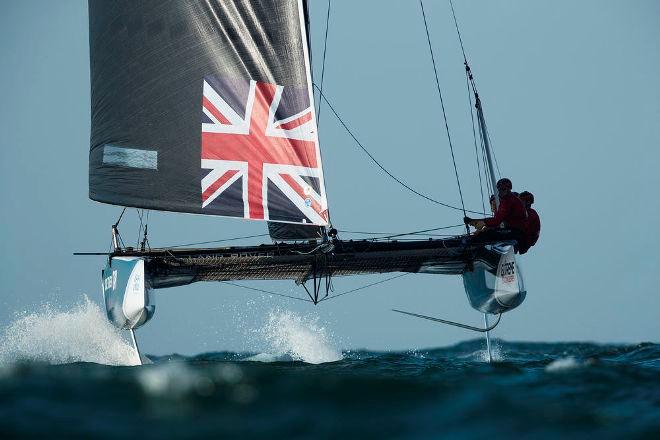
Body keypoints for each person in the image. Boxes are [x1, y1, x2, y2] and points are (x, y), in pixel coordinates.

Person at [464, 178, 528, 251]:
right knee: (487, 233)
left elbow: (497, 221)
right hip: (513, 231)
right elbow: (497, 219)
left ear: (509, 190)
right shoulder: (508, 200)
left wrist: (483, 223)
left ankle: (472, 251)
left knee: (485, 235)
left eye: (503, 189)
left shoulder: (510, 201)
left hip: (515, 232)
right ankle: (477, 249)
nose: (500, 192)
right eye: (499, 189)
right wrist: (474, 221)